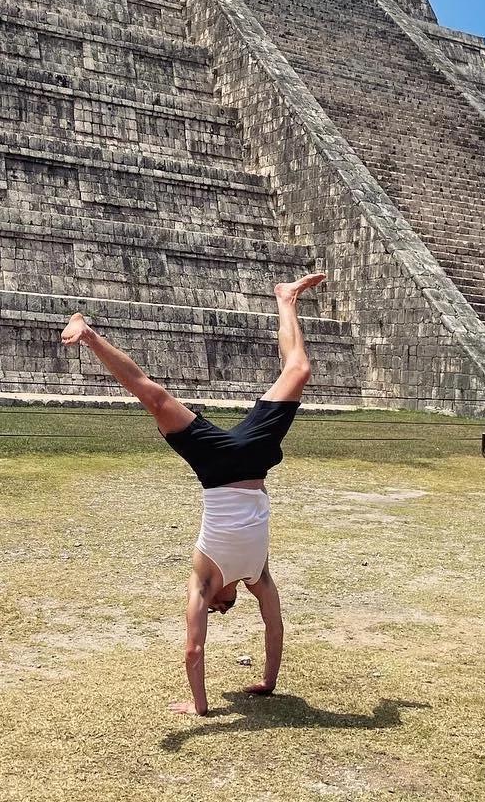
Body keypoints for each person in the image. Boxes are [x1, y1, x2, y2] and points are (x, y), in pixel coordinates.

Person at [59, 273, 327, 716]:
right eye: (226, 609)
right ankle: (286, 298)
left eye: (219, 611)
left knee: (155, 397)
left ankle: (88, 335)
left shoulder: (203, 581)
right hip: (253, 462)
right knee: (299, 369)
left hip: (218, 468)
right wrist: (269, 681)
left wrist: (200, 708)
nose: (223, 610)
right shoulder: (256, 577)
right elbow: (274, 626)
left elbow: (192, 649)